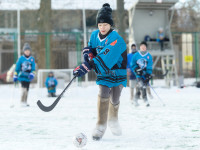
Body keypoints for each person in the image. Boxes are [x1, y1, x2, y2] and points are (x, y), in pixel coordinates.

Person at [73, 3, 127, 140]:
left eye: (105, 25)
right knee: (103, 92)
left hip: (117, 72)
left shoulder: (116, 39)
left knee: (115, 98)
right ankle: (100, 125)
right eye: (100, 25)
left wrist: (87, 66)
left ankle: (113, 120)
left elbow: (105, 57)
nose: (102, 28)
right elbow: (92, 48)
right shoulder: (94, 35)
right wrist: (88, 54)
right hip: (103, 73)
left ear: (110, 25)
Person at [131, 41, 153, 107]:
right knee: (142, 85)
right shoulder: (136, 55)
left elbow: (149, 65)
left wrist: (148, 74)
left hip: (145, 74)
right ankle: (145, 99)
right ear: (140, 47)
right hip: (138, 74)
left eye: (144, 46)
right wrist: (136, 69)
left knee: (141, 86)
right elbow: (133, 64)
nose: (143, 48)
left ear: (146, 47)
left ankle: (135, 99)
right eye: (141, 46)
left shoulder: (149, 56)